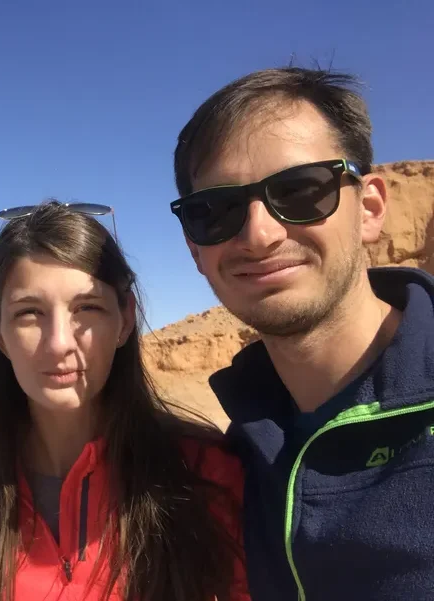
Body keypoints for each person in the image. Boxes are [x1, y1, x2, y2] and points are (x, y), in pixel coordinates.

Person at [170, 66, 434, 601]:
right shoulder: (237, 455)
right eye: (215, 211)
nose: (259, 235)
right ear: (196, 251)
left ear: (370, 208)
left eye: (299, 189)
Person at [0, 201, 249, 601]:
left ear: (125, 319)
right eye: (29, 313)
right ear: (0, 334)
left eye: (88, 308)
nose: (60, 343)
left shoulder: (202, 472)